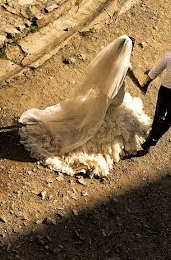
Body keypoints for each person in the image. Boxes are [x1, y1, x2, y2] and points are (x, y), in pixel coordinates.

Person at [18, 35, 150, 176]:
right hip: (115, 98)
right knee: (113, 114)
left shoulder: (108, 60)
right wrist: (143, 87)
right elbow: (135, 80)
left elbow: (96, 79)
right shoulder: (126, 66)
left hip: (103, 95)